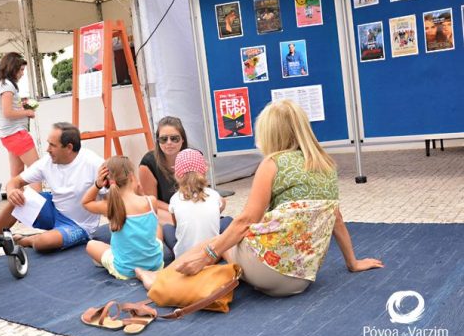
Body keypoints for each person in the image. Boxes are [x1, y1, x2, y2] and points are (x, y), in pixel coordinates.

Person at [136, 100, 383, 297]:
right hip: (302, 279)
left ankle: (159, 280)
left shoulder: (273, 163)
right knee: (226, 238)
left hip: (268, 272)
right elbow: (335, 218)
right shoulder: (326, 164)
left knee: (218, 238)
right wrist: (353, 262)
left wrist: (209, 254)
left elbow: (246, 220)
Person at [0, 122, 104, 257]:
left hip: (78, 225)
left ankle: (27, 240)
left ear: (69, 148)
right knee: (17, 199)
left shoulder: (94, 163)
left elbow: (113, 198)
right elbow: (15, 181)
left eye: (52, 145)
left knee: (43, 243)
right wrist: (12, 191)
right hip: (53, 208)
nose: (47, 149)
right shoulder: (47, 161)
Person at [83, 156, 164, 280]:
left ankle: (113, 259)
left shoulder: (110, 206)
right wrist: (141, 192)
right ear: (132, 177)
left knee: (91, 245)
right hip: (155, 265)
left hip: (126, 271)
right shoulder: (150, 201)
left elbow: (86, 203)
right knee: (156, 225)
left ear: (107, 182)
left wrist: (97, 185)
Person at [164, 149, 231, 258]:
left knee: (167, 228)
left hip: (185, 256)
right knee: (227, 220)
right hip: (211, 254)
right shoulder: (213, 195)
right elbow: (221, 206)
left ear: (177, 174)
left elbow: (177, 225)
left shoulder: (175, 199)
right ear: (204, 170)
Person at [0, 52, 41, 193]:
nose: (22, 73)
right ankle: (40, 208)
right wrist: (27, 112)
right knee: (36, 171)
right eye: (21, 69)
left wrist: (20, 108)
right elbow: (8, 113)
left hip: (8, 135)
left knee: (16, 175)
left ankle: (19, 210)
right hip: (16, 134)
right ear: (13, 68)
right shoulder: (8, 86)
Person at [138, 116, 188, 225]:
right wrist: (176, 209)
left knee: (220, 203)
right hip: (165, 209)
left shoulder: (192, 156)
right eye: (163, 139)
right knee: (179, 222)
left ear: (182, 139)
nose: (169, 143)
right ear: (158, 141)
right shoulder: (148, 163)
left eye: (174, 138)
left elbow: (200, 190)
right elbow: (151, 201)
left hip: (189, 205)